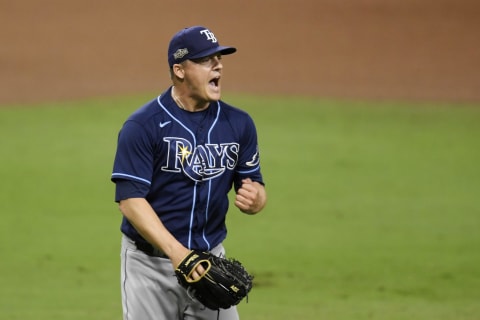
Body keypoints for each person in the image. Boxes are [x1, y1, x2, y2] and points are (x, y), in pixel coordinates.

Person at [111, 26, 267, 320]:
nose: (218, 65)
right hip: (149, 266)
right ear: (179, 70)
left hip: (210, 263)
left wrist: (256, 198)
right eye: (206, 59)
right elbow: (130, 200)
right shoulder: (143, 126)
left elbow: (254, 185)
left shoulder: (238, 124)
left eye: (219, 58)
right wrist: (177, 253)